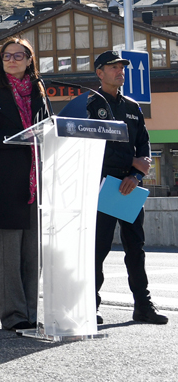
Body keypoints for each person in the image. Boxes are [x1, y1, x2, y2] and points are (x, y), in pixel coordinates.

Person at [0, 38, 50, 332]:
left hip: (35, 183)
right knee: (9, 257)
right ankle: (13, 315)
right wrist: (20, 137)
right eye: (7, 56)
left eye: (19, 56)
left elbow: (48, 129)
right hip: (4, 183)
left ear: (30, 60)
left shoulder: (39, 90)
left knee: (33, 255)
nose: (12, 60)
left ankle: (30, 312)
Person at [88, 50, 168, 325]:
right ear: (100, 73)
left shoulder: (133, 106)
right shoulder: (91, 105)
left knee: (136, 247)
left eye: (122, 67)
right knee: (98, 249)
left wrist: (135, 173)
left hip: (129, 186)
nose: (120, 71)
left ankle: (143, 306)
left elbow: (143, 145)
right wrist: (130, 161)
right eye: (114, 67)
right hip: (103, 185)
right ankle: (89, 306)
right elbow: (94, 148)